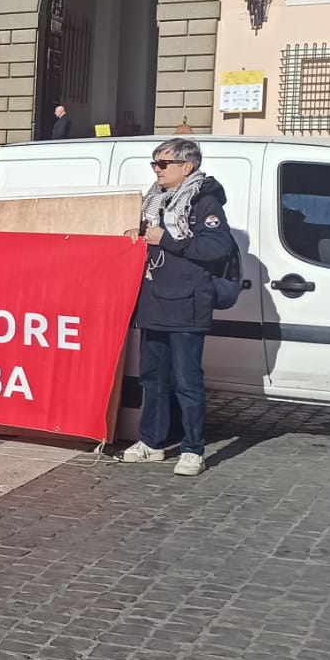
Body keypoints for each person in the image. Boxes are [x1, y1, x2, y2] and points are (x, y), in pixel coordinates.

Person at [121, 137, 232, 478]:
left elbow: (216, 248)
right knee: (153, 378)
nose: (156, 169)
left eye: (163, 164)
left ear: (187, 167)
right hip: (155, 300)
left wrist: (165, 240)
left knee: (186, 380)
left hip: (188, 303)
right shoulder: (156, 200)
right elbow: (153, 237)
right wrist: (138, 234)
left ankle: (192, 448)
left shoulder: (204, 200)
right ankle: (152, 442)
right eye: (154, 163)